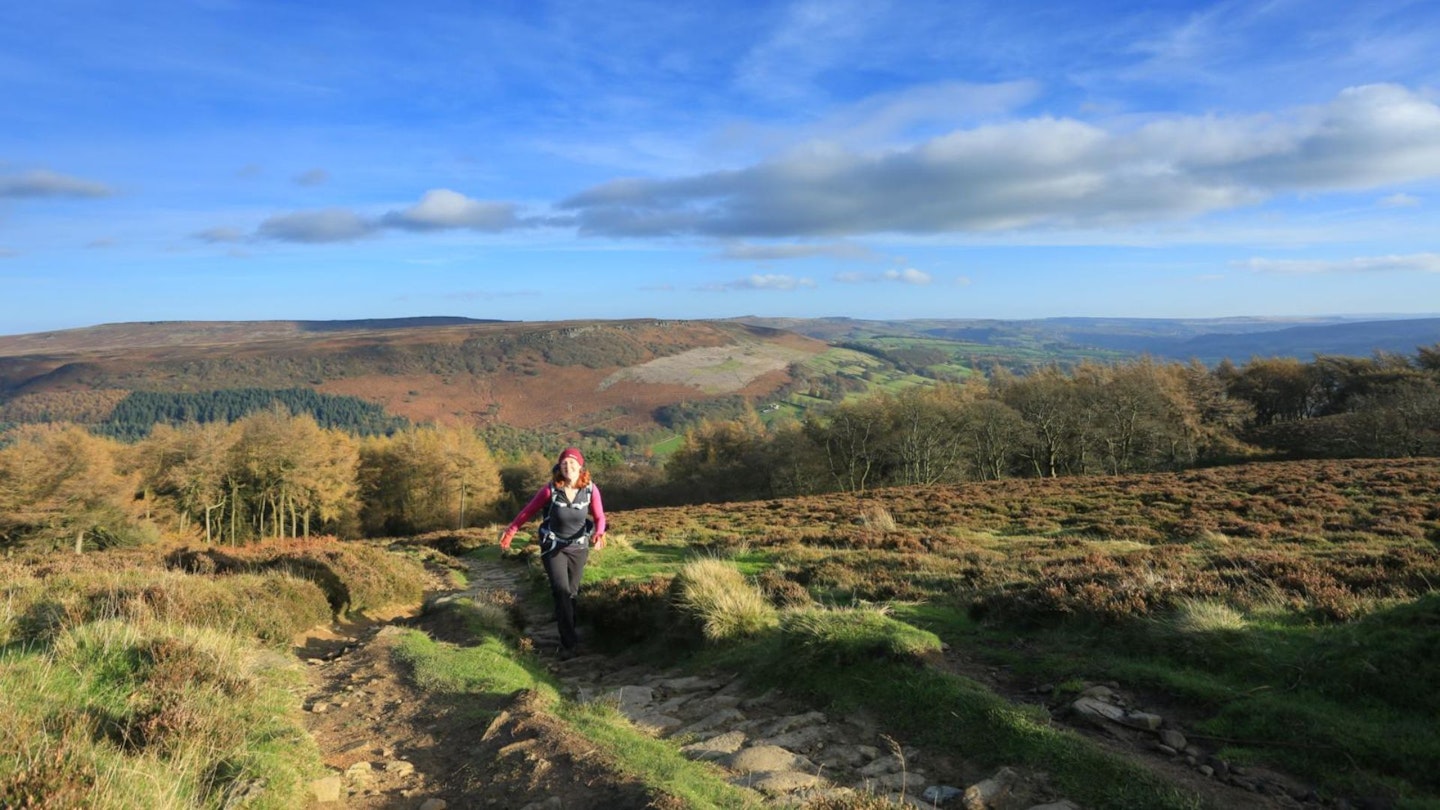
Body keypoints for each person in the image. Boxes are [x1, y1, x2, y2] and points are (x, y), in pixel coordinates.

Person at [500, 447, 607, 659]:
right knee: (561, 591)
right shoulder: (550, 490)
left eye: (573, 463)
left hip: (579, 548)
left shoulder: (591, 489)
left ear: (580, 466)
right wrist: (511, 531)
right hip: (553, 547)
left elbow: (600, 516)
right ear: (560, 467)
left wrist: (599, 533)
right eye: (564, 464)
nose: (568, 467)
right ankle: (569, 642)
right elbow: (527, 511)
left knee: (572, 593)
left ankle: (567, 626)